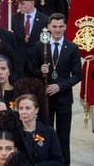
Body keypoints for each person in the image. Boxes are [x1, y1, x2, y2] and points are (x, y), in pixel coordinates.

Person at [35, 13, 81, 164]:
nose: (57, 30)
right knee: (44, 134)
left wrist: (59, 86)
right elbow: (30, 69)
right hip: (45, 99)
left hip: (63, 99)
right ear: (48, 27)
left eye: (61, 26)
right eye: (54, 26)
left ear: (66, 27)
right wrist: (40, 71)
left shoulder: (72, 47)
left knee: (63, 136)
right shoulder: (40, 45)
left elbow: (77, 75)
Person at [15, 94, 63, 165]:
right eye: (21, 108)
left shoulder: (49, 132)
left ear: (36, 110)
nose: (24, 112)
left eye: (28, 108)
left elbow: (58, 161)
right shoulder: (14, 132)